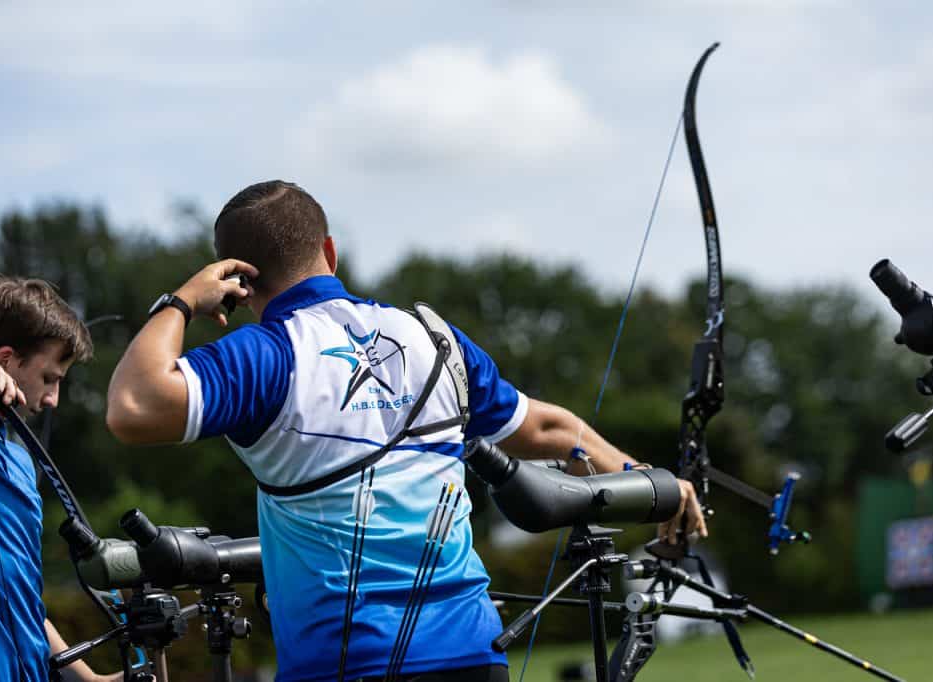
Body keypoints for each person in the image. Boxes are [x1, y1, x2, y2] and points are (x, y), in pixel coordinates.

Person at [106, 181, 707, 682]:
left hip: (343, 664)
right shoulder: (431, 336)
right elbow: (547, 427)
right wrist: (647, 481)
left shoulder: (265, 356)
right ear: (331, 251)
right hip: (471, 654)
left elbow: (131, 407)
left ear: (238, 278)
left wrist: (181, 300)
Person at [0, 274, 123, 681]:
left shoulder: (19, 462)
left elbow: (18, 596)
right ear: (3, 361)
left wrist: (91, 680)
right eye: (50, 378)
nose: (52, 398)